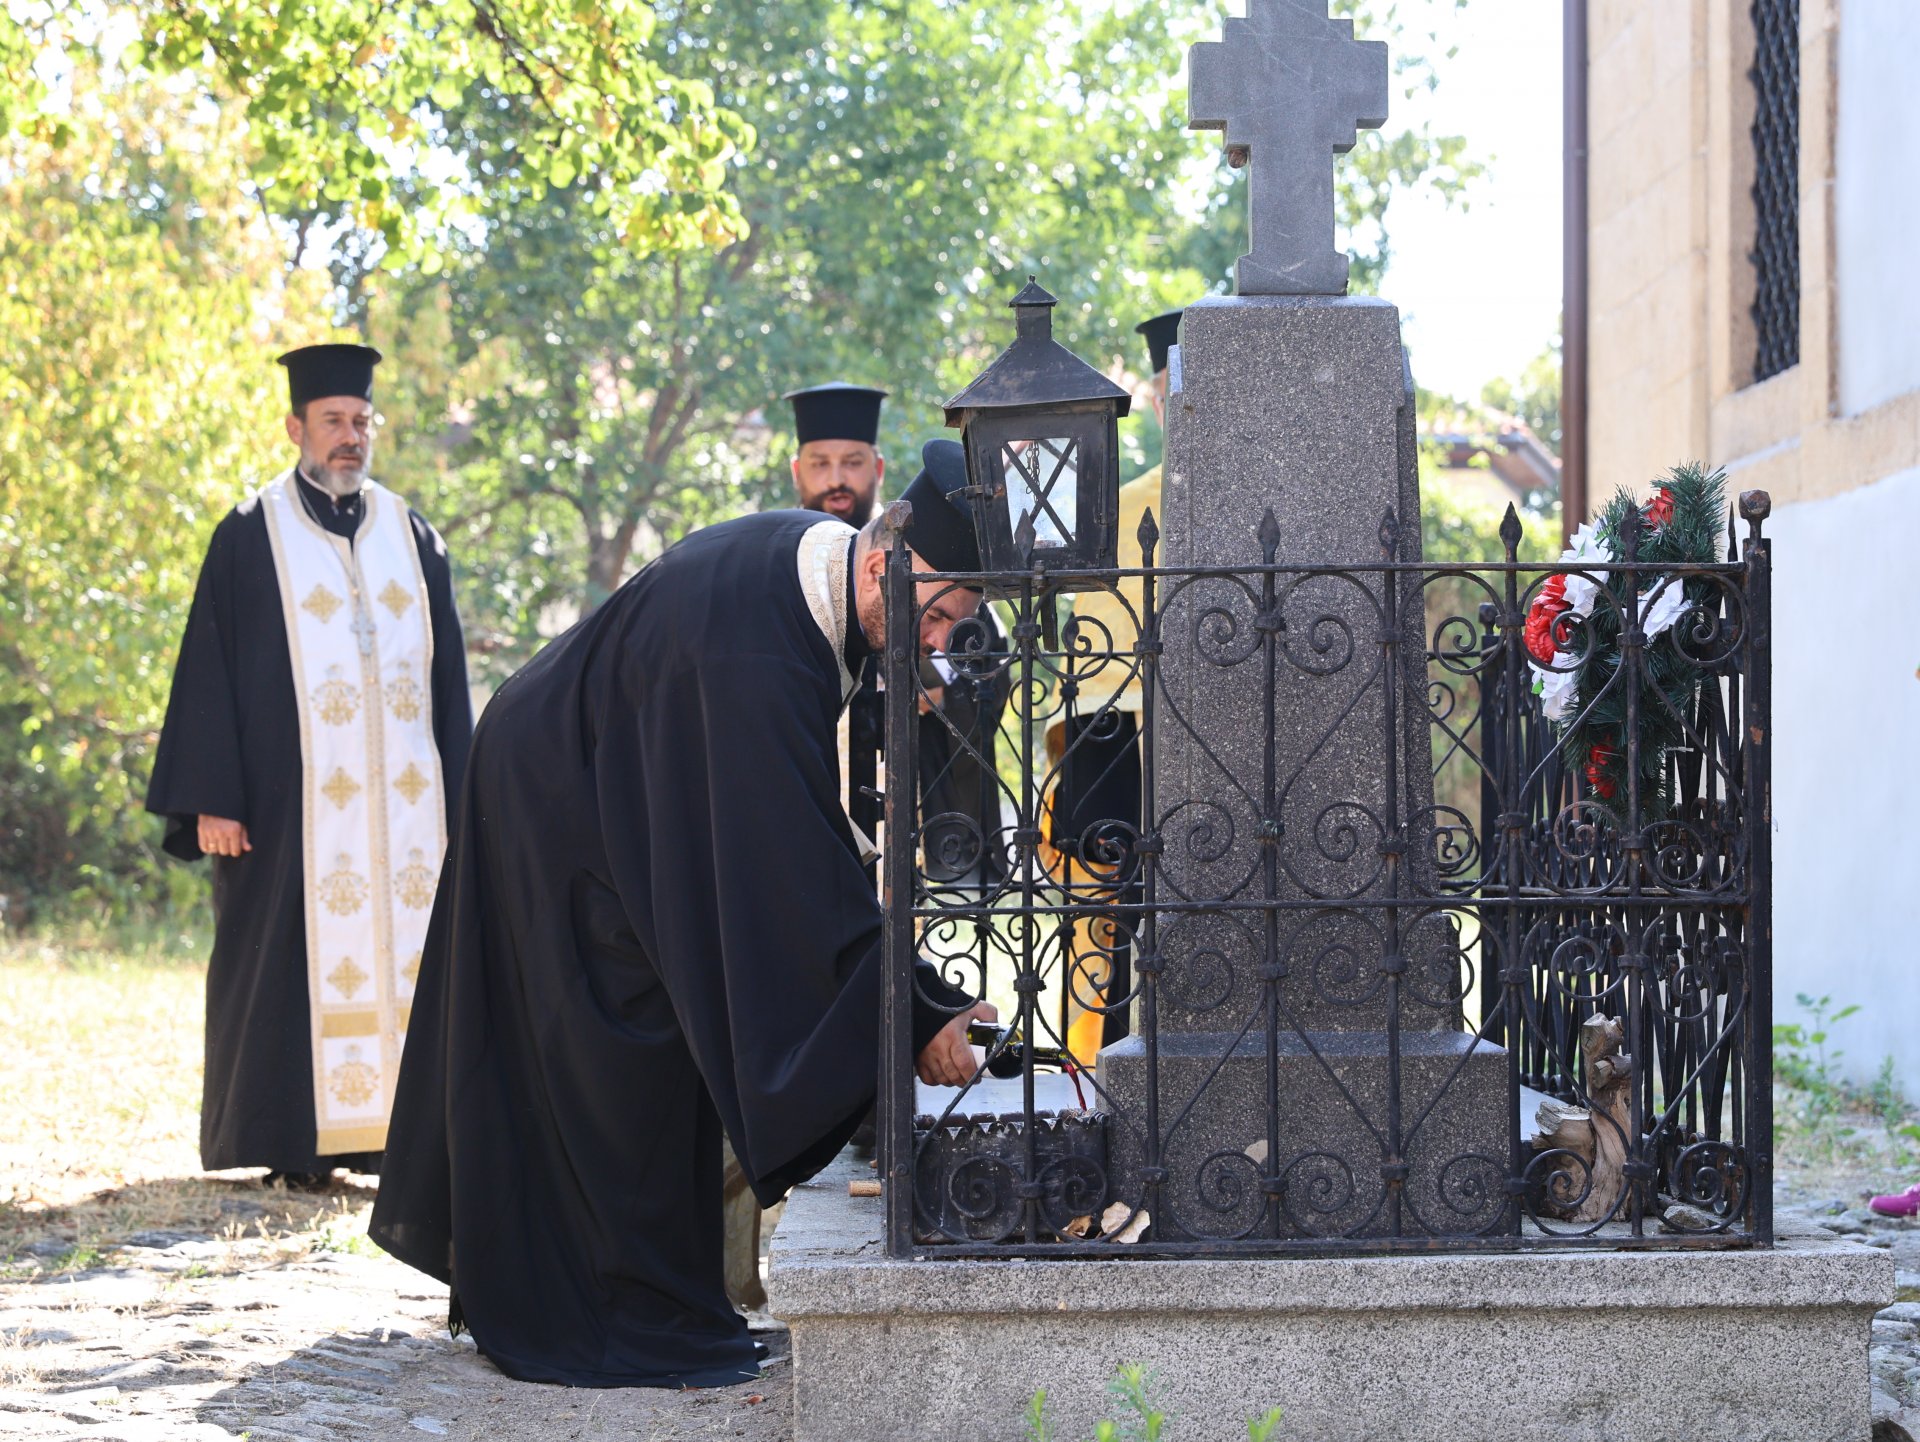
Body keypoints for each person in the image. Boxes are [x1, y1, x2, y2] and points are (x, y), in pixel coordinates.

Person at [370, 440, 997, 1389]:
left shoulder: (819, 577)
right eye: (940, 614)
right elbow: (789, 883)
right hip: (553, 799)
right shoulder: (756, 650)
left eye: (956, 626)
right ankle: (599, 1310)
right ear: (885, 563)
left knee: (652, 1046)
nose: (941, 641)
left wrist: (916, 996)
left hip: (597, 777)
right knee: (614, 1051)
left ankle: (637, 1293)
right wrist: (916, 1012)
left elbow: (801, 853)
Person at [145, 343, 472, 1188]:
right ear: (296, 426)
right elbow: (209, 667)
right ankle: (293, 1145)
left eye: (361, 421)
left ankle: (396, 1142)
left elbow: (449, 686)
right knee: (283, 960)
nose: (349, 437)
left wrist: (468, 804)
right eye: (332, 421)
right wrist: (212, 797)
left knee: (415, 963)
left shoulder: (414, 536)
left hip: (407, 815)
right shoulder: (252, 536)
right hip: (290, 808)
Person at [1045, 307, 1183, 1064]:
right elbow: (1094, 674)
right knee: (1121, 907)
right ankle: (1108, 1062)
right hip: (1125, 754)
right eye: (1175, 391)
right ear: (1160, 401)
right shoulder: (1122, 509)